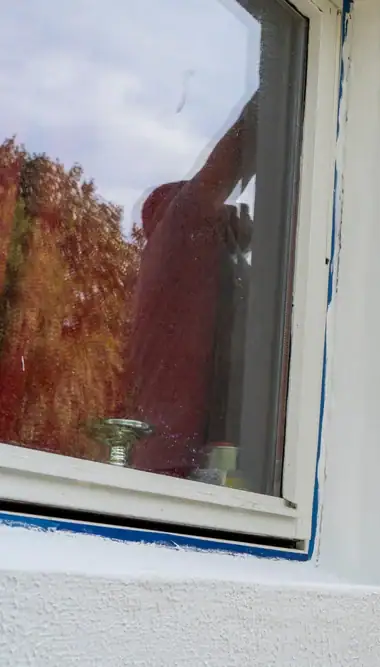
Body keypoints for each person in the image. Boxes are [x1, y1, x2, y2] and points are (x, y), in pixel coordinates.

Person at [123, 92, 256, 480]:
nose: (233, 208)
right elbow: (231, 159)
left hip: (181, 450)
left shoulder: (196, 275)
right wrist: (273, 90)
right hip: (179, 458)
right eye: (217, 207)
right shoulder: (179, 232)